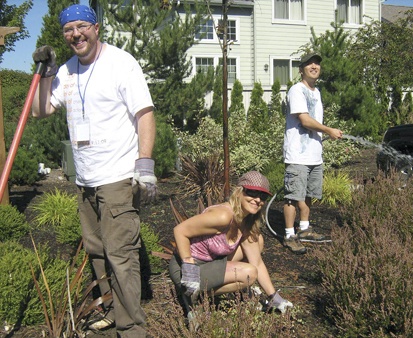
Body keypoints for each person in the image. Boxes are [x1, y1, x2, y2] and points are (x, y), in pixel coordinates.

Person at [31, 5, 156, 337]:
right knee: (97, 251)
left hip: (117, 176)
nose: (76, 34)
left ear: (96, 28)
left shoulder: (120, 63)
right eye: (68, 29)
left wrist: (145, 164)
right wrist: (45, 75)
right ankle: (114, 310)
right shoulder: (67, 71)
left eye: (81, 27)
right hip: (85, 180)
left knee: (120, 255)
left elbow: (145, 113)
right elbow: (40, 110)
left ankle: (132, 330)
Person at [168, 171, 293, 320]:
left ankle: (199, 293)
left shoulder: (247, 221)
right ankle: (192, 296)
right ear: (239, 192)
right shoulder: (223, 216)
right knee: (249, 273)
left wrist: (274, 297)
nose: (257, 199)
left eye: (263, 196)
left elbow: (257, 262)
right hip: (187, 267)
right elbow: (180, 230)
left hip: (209, 262)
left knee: (257, 241)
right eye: (252, 192)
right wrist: (189, 267)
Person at [282, 52, 343, 254]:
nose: (314, 66)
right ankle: (289, 235)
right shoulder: (296, 90)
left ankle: (305, 229)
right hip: (297, 154)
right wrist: (329, 130)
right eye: (309, 64)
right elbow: (305, 121)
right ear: (301, 69)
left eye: (317, 63)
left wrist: (324, 136)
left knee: (307, 195)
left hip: (314, 155)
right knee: (293, 196)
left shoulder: (316, 92)